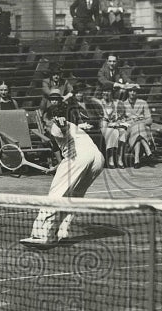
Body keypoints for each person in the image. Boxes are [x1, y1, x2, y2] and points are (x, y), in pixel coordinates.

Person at [21, 101, 105, 247]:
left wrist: (60, 124)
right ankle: (62, 231)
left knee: (55, 195)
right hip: (97, 159)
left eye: (45, 122)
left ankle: (40, 234)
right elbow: (78, 148)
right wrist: (57, 166)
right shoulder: (74, 127)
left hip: (79, 158)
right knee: (74, 197)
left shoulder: (57, 126)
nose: (44, 125)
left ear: (53, 119)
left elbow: (61, 129)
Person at [121, 85, 155, 168]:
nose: (133, 93)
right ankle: (148, 150)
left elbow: (150, 120)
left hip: (142, 128)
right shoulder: (123, 104)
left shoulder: (143, 103)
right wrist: (131, 121)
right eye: (130, 91)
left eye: (135, 91)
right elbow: (121, 120)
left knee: (139, 126)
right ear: (127, 92)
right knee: (137, 126)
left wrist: (141, 121)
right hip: (130, 128)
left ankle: (136, 160)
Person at [96, 87, 126, 168]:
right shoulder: (99, 102)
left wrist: (117, 122)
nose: (105, 93)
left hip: (114, 125)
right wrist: (109, 124)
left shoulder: (116, 103)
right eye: (104, 91)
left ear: (111, 93)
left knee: (123, 132)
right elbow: (99, 118)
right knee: (112, 132)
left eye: (108, 91)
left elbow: (120, 117)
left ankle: (119, 159)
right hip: (103, 126)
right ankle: (111, 158)